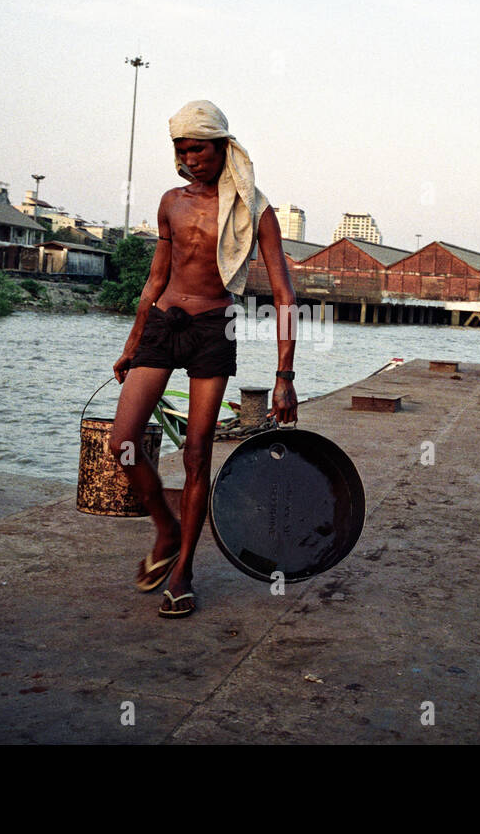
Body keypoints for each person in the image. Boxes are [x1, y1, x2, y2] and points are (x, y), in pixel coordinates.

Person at [109, 100, 298, 618]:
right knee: (122, 442)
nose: (191, 158)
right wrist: (131, 343)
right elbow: (155, 278)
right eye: (182, 149)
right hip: (163, 326)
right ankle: (166, 528)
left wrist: (285, 376)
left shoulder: (254, 209)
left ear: (223, 147)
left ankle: (183, 569)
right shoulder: (170, 201)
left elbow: (284, 293)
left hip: (214, 331)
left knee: (196, 454)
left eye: (200, 148)